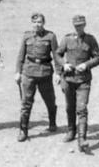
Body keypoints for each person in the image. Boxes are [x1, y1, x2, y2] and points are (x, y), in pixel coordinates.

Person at [56, 15, 99, 152]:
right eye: (76, 25)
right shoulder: (67, 39)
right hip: (69, 79)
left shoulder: (90, 40)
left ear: (85, 25)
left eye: (81, 25)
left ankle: (82, 139)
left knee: (81, 108)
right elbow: (57, 54)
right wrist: (64, 65)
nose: (79, 27)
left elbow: (98, 58)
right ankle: (71, 131)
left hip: (83, 80)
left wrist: (87, 64)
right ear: (73, 26)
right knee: (70, 107)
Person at [14, 13, 60, 142]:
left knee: (50, 100)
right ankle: (23, 130)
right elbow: (20, 55)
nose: (37, 25)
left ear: (43, 23)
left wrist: (58, 73)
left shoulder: (50, 36)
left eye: (39, 22)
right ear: (31, 23)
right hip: (29, 72)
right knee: (26, 102)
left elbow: (57, 56)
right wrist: (18, 71)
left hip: (44, 72)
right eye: (34, 22)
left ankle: (52, 123)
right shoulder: (26, 36)